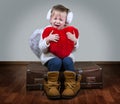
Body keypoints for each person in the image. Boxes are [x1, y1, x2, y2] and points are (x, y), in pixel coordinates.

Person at [38, 4, 81, 99]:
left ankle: (71, 85)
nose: (57, 21)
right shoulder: (47, 30)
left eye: (61, 19)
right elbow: (42, 48)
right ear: (50, 18)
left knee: (68, 60)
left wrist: (74, 40)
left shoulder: (70, 31)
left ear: (66, 20)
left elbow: (74, 49)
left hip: (65, 57)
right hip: (51, 58)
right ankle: (52, 86)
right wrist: (48, 40)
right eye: (55, 18)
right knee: (56, 61)